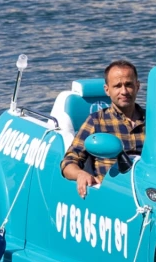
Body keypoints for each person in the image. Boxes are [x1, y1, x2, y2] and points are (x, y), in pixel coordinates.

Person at [61, 59, 145, 198]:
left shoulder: (153, 120)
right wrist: (80, 174)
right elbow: (69, 162)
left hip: (147, 190)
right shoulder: (96, 121)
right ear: (107, 90)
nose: (124, 91)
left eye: (128, 85)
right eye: (117, 86)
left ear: (137, 86)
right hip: (112, 193)